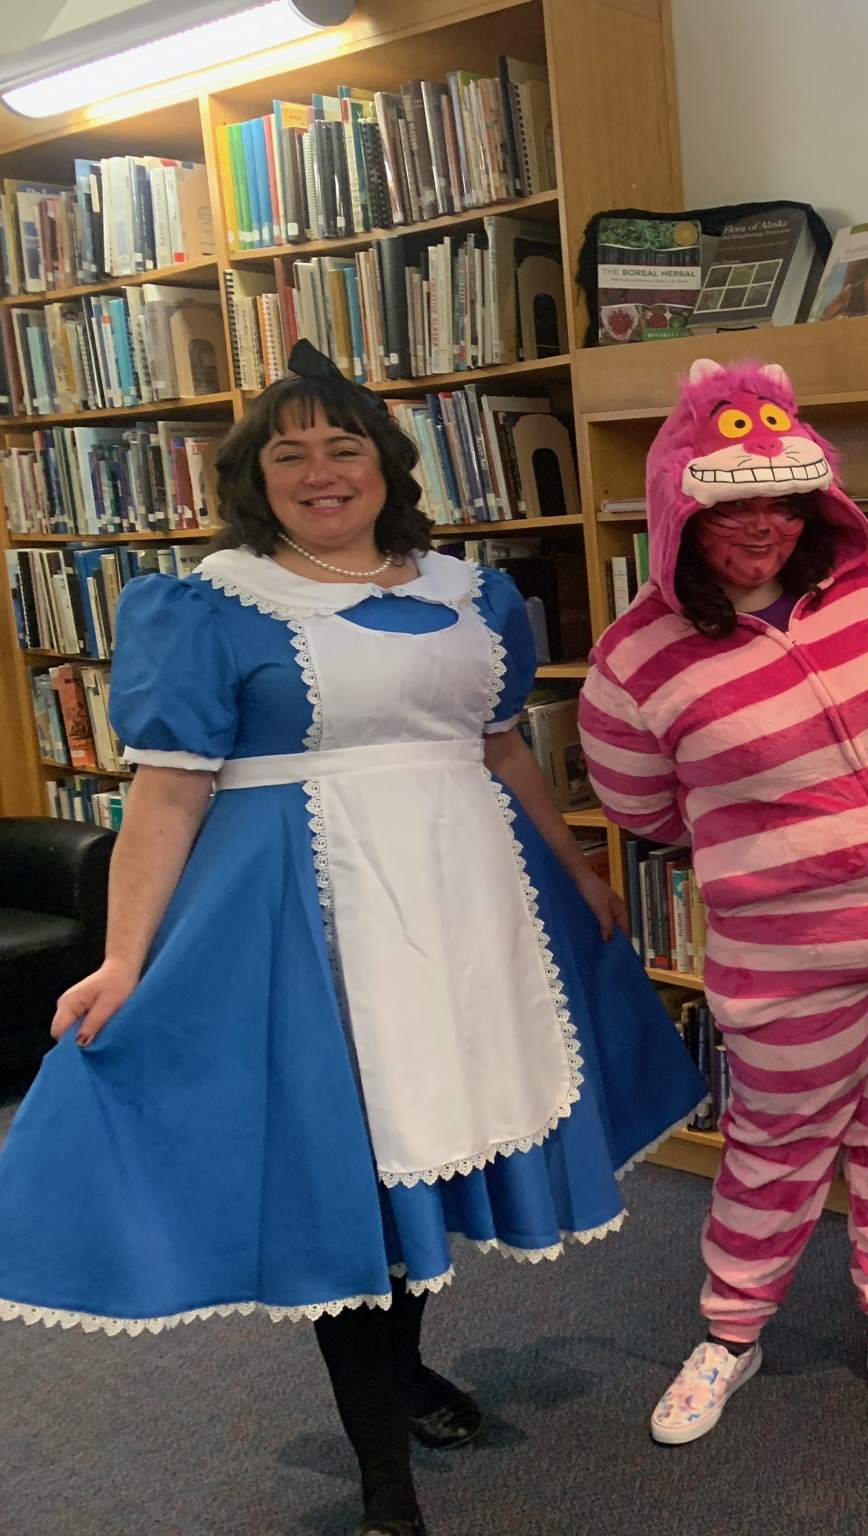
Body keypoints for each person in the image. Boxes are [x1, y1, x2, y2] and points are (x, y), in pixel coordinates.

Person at [0, 341, 704, 1536]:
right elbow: (166, 797)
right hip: (304, 918)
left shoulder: (469, 592)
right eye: (291, 454)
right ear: (253, 477)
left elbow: (499, 744)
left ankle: (408, 1371)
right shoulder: (209, 602)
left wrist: (576, 862)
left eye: (344, 446)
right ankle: (385, 1482)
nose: (322, 471)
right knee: (350, 1184)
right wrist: (122, 957)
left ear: (387, 463)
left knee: (432, 1158)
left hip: (470, 902)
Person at [578, 356, 868, 1453]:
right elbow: (645, 811)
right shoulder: (632, 659)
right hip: (789, 954)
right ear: (681, 502)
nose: (762, 522)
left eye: (780, 496)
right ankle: (731, 1332)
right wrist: (790, 845)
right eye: (732, 502)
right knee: (775, 1141)